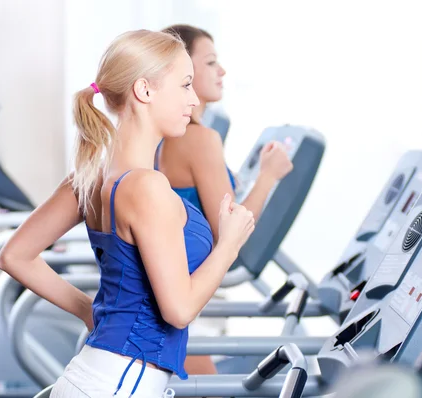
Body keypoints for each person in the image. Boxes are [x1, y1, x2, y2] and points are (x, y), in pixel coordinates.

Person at [0, 29, 255, 398]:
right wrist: (228, 245)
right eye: (184, 85)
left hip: (99, 375)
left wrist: (90, 311)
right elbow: (179, 311)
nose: (194, 98)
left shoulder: (91, 175)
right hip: (120, 384)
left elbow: (14, 255)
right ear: (144, 91)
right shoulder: (146, 187)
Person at [157, 24, 294, 376]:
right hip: (188, 300)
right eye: (211, 62)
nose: (222, 71)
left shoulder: (166, 136)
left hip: (176, 292)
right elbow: (230, 230)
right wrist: (269, 175)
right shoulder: (199, 139)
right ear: (181, 70)